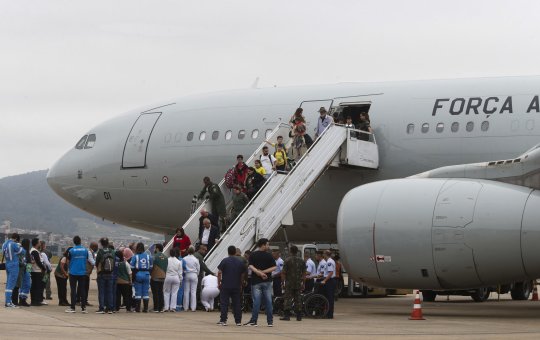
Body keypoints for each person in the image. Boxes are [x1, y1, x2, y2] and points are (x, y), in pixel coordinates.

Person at [244, 238, 276, 327]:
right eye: (267, 244)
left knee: (256, 302)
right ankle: (270, 322)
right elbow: (274, 267)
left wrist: (259, 272)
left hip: (256, 281)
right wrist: (264, 272)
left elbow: (250, 266)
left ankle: (254, 321)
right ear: (263, 245)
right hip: (267, 281)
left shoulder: (253, 255)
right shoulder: (269, 256)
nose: (268, 246)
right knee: (268, 301)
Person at [217, 245, 246, 326]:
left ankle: (223, 320)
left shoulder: (225, 261)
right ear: (235, 252)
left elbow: (219, 272)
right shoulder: (240, 262)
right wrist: (241, 283)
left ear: (228, 252)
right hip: (236, 285)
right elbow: (242, 274)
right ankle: (238, 321)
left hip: (225, 285)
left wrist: (219, 283)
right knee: (236, 303)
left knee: (224, 303)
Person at [66, 236, 95, 313]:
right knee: (82, 290)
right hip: (82, 272)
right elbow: (90, 261)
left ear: (74, 242)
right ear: (80, 241)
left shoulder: (71, 250)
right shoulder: (85, 250)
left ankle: (72, 307)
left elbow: (68, 261)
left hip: (73, 272)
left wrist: (70, 268)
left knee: (73, 290)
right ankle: (84, 308)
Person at [280, 245, 305, 321]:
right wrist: (303, 283)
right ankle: (299, 316)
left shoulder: (287, 260)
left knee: (288, 299)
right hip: (298, 283)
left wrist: (283, 282)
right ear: (297, 251)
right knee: (298, 299)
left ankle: (287, 316)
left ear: (290, 251)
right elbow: (304, 273)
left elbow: (283, 273)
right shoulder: (301, 261)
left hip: (289, 283)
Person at [130, 242, 153, 313]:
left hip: (138, 274)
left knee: (138, 292)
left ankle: (137, 309)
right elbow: (151, 267)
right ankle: (145, 309)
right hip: (146, 274)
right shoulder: (149, 256)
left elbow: (132, 267)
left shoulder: (135, 256)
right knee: (146, 292)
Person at [3, 232, 22, 308]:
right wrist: (19, 246)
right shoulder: (13, 244)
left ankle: (8, 301)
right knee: (11, 285)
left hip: (7, 264)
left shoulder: (5, 243)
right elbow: (22, 252)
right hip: (14, 265)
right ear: (16, 239)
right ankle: (8, 303)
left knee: (8, 284)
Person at [95, 237, 115, 314]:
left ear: (102, 244)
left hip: (102, 274)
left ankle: (101, 308)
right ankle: (110, 308)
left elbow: (97, 263)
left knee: (101, 292)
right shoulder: (112, 251)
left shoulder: (100, 252)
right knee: (110, 291)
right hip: (110, 273)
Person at [163, 247, 183, 312]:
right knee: (174, 293)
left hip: (168, 276)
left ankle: (166, 307)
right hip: (176, 277)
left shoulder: (166, 260)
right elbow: (180, 272)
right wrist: (180, 280)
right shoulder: (179, 261)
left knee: (166, 292)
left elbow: (165, 269)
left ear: (169, 253)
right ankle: (173, 307)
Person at [150, 243, 167, 313]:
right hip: (163, 276)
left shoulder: (154, 256)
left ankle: (156, 308)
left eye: (155, 248)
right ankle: (161, 307)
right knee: (161, 292)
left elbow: (151, 267)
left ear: (157, 249)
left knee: (155, 293)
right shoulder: (166, 257)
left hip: (155, 277)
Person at [183, 246, 200, 312]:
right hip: (194, 274)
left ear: (187, 251)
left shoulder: (184, 258)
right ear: (194, 252)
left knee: (186, 291)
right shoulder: (196, 259)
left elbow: (183, 267)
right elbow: (198, 269)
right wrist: (196, 274)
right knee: (193, 292)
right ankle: (193, 308)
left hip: (187, 274)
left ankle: (185, 307)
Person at [30, 238, 46, 306]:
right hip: (36, 271)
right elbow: (38, 261)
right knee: (36, 286)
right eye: (39, 242)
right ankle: (35, 301)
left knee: (36, 286)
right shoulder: (34, 251)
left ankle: (36, 300)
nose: (40, 243)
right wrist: (43, 268)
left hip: (36, 271)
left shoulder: (35, 251)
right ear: (36, 243)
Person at [320, 250, 336, 319]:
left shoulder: (329, 262)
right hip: (329, 280)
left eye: (323, 253)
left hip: (330, 281)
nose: (323, 255)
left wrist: (324, 280)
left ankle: (330, 314)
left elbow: (331, 273)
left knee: (330, 298)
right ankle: (328, 313)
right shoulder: (329, 261)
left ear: (326, 254)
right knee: (328, 297)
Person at [116, 248, 133, 312]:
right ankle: (128, 308)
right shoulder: (126, 263)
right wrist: (130, 281)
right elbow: (130, 273)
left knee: (117, 296)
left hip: (117, 282)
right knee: (126, 296)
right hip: (125, 282)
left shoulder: (116, 264)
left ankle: (116, 307)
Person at [17, 238, 31, 307]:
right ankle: (23, 300)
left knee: (22, 285)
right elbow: (28, 262)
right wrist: (29, 271)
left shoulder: (21, 250)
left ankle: (21, 299)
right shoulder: (26, 251)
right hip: (25, 270)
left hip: (22, 270)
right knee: (27, 285)